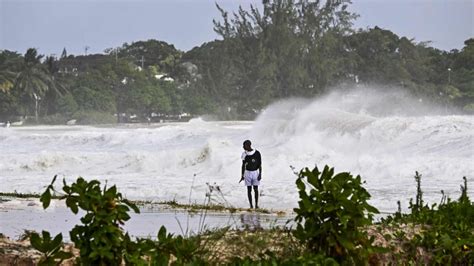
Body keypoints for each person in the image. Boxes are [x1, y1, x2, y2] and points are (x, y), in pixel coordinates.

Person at [239, 140, 262, 209]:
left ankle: (256, 205)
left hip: (255, 172)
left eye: (244, 145)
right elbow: (243, 165)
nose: (243, 147)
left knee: (256, 189)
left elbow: (260, 164)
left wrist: (260, 174)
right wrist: (242, 175)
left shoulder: (257, 153)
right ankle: (251, 205)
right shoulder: (244, 154)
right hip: (247, 173)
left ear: (249, 145)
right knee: (249, 190)